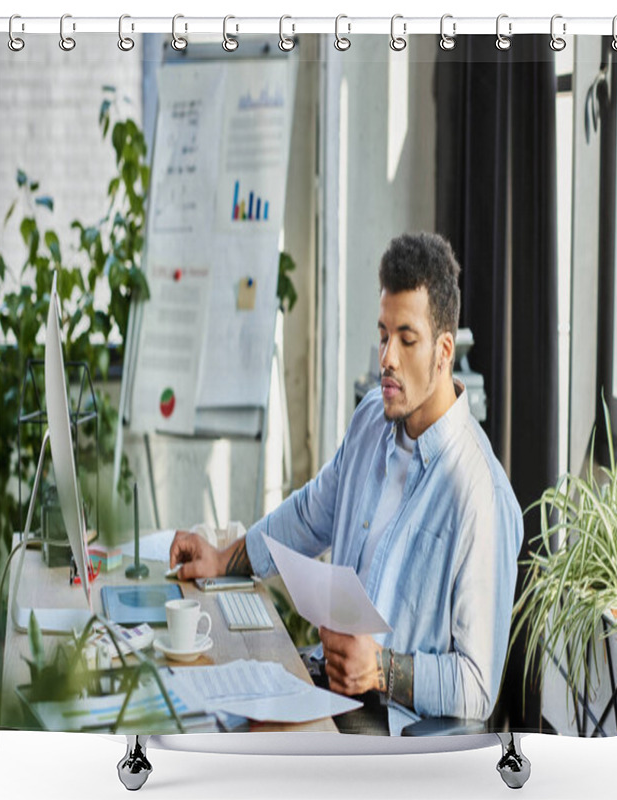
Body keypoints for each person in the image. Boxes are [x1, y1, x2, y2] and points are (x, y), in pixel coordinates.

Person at [170, 232, 523, 735]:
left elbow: (477, 686)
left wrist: (381, 668)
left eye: (407, 339)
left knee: (244, 749)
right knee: (205, 706)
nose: (387, 359)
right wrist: (224, 559)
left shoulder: (479, 495)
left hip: (391, 725)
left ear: (444, 351)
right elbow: (312, 511)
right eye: (383, 335)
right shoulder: (371, 421)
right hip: (326, 685)